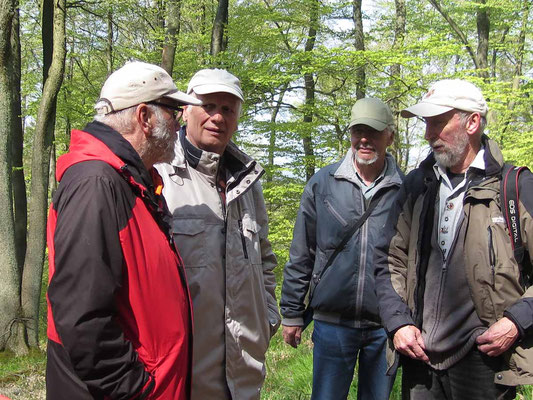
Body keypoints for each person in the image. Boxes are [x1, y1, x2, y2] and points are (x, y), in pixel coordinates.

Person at [46, 61, 201, 399]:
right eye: (174, 111)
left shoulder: (131, 183)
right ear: (144, 117)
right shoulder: (96, 183)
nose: (179, 124)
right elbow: (80, 315)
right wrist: (135, 389)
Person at [374, 79, 533, 399]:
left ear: (472, 122)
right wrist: (398, 323)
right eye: (426, 123)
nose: (427, 134)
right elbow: (387, 258)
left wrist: (518, 321)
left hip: (486, 363)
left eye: (438, 122)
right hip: (419, 358)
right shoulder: (416, 185)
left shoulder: (515, 186)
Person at [155, 68, 281, 400]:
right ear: (185, 110)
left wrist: (266, 318)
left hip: (243, 374)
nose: (217, 117)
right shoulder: (159, 175)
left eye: (227, 109)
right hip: (185, 374)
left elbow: (264, 259)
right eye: (208, 105)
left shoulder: (247, 181)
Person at [280, 98, 403, 400]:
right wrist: (292, 313)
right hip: (332, 324)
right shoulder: (323, 183)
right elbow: (302, 251)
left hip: (385, 327)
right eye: (357, 130)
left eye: (373, 131)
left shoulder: (406, 189)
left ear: (389, 135)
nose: (364, 139)